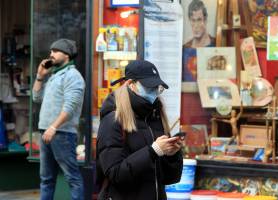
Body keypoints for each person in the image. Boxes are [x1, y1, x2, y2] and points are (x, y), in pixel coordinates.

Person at [96, 60, 183, 200]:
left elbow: (169, 178)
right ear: (131, 84)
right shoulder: (113, 120)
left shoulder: (156, 116)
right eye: (149, 87)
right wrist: (153, 151)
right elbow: (114, 174)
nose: (154, 92)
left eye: (157, 87)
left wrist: (171, 155)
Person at [32, 38, 85, 200]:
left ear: (67, 55)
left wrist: (53, 127)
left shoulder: (73, 76)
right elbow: (36, 97)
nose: (51, 54)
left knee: (72, 178)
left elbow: (71, 106)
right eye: (51, 51)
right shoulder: (54, 75)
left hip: (61, 133)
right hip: (46, 131)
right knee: (46, 179)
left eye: (55, 51)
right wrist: (40, 76)